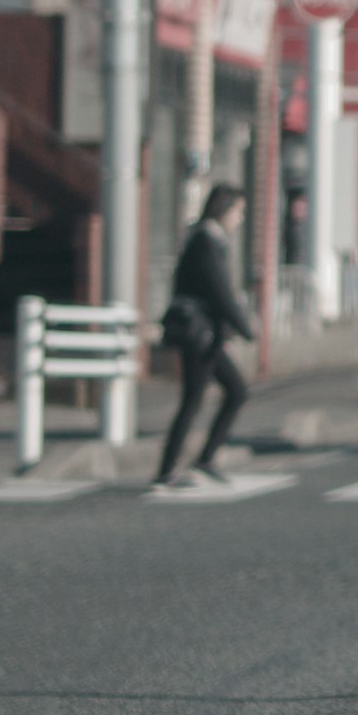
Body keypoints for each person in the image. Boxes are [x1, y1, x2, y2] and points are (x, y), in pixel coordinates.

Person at [152, 182, 259, 492]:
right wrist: (245, 327)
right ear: (224, 209)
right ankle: (180, 467)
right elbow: (219, 292)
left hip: (204, 334)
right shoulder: (206, 241)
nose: (240, 219)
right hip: (200, 334)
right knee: (213, 395)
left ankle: (193, 463)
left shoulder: (206, 239)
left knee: (215, 394)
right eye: (239, 211)